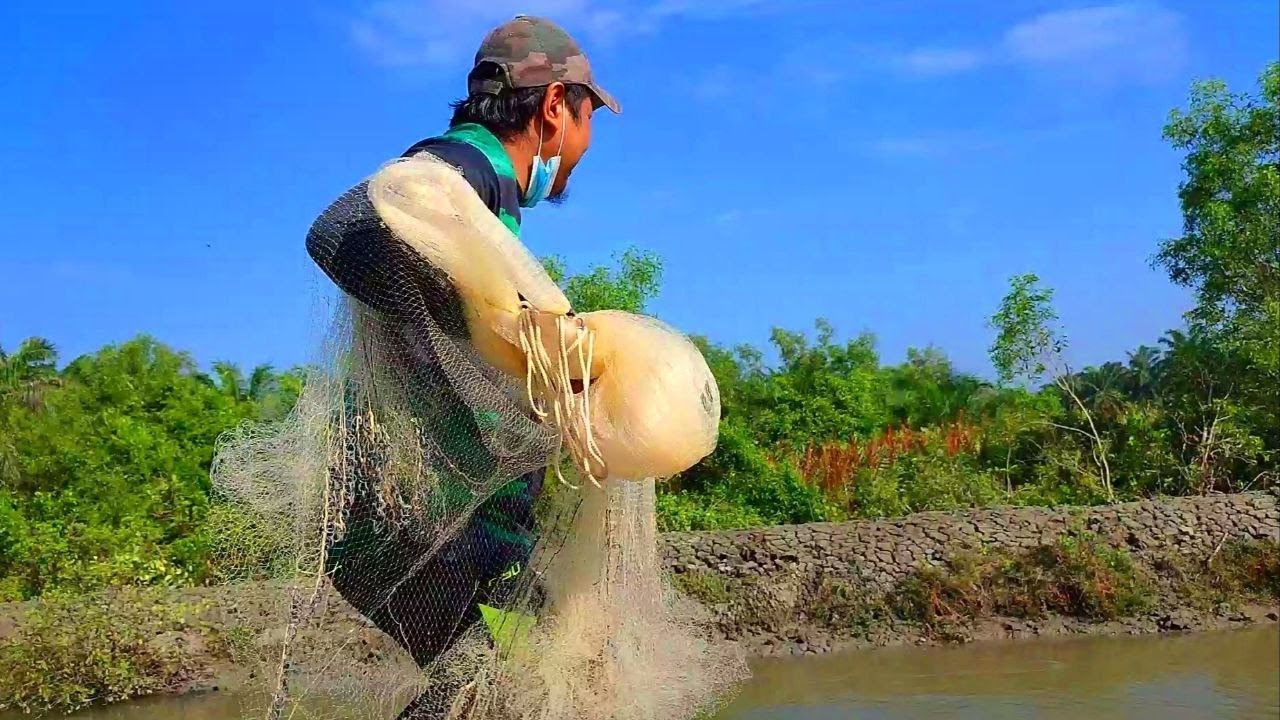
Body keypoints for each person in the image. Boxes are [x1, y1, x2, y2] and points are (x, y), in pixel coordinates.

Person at [302, 15, 619, 719]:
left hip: (420, 532)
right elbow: (338, 230)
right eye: (589, 117)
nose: (585, 146)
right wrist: (461, 341)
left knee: (480, 695)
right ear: (555, 105)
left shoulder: (480, 203)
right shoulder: (459, 172)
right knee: (503, 690)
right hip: (431, 532)